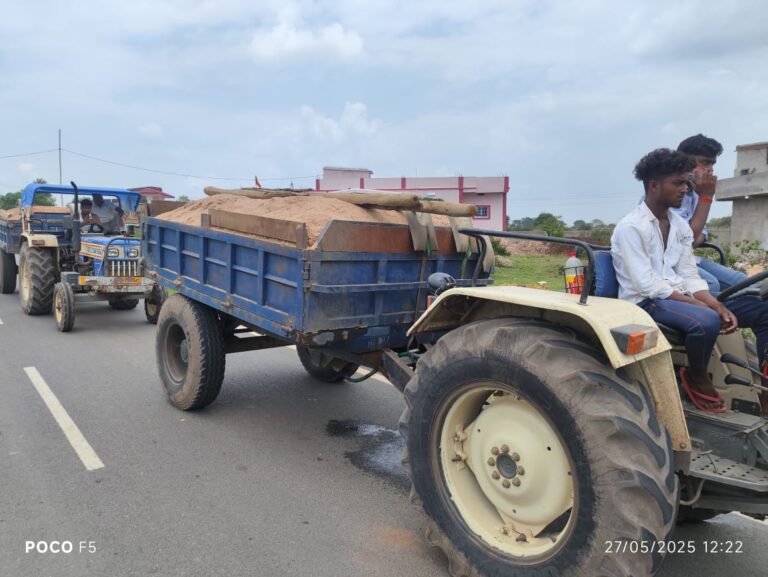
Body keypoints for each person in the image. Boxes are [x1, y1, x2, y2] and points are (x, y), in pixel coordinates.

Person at [612, 148, 768, 413]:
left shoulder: (679, 226)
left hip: (678, 297)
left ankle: (764, 391)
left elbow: (689, 274)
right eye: (678, 183)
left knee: (763, 311)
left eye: (686, 182)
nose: (685, 189)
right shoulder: (631, 227)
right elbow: (646, 285)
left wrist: (715, 304)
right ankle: (696, 375)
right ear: (654, 185)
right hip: (647, 302)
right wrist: (703, 308)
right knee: (705, 321)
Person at [675, 134, 747, 293]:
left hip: (687, 258)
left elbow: (700, 234)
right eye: (705, 162)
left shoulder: (694, 192)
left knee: (741, 281)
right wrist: (706, 198)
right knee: (710, 284)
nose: (710, 169)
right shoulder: (671, 190)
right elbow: (685, 240)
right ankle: (716, 316)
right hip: (667, 261)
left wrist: (693, 237)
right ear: (683, 161)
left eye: (712, 163)